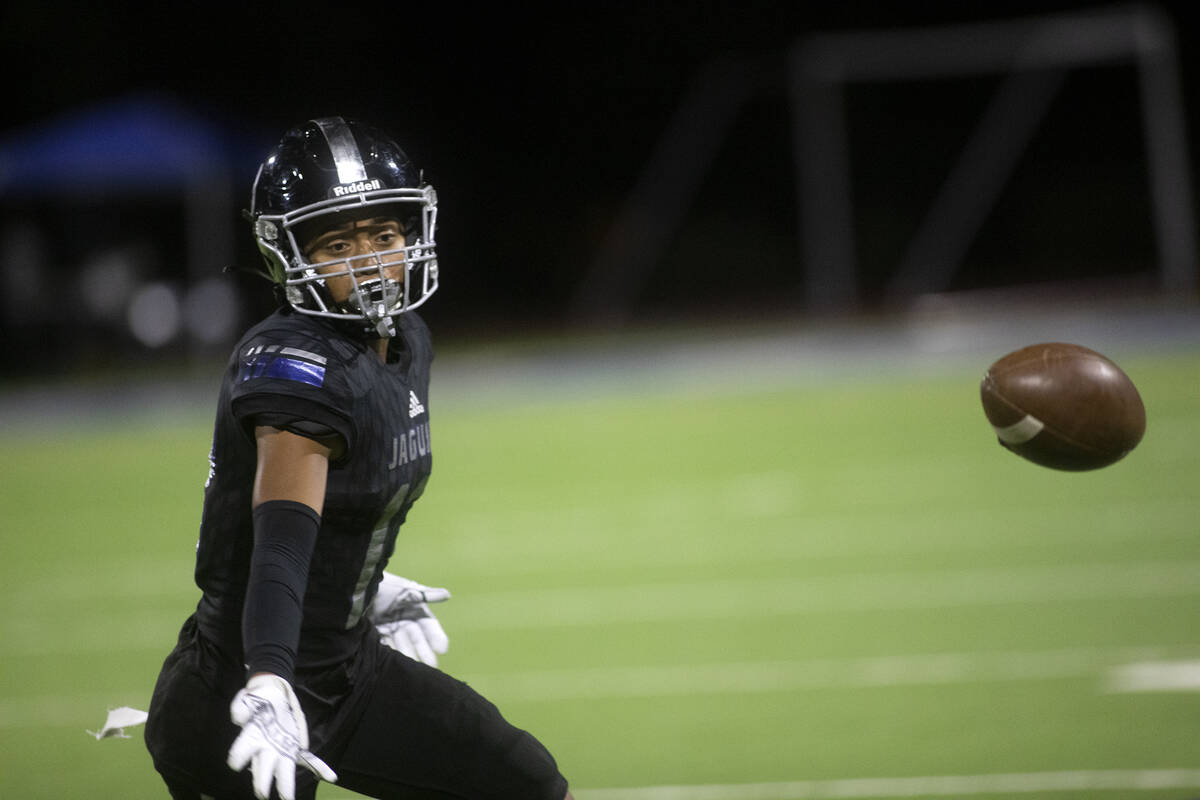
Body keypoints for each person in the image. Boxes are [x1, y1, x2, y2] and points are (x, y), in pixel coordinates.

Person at [144, 117, 573, 800]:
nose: (370, 258)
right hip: (245, 693)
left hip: (345, 669)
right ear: (291, 258)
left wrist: (358, 581)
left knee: (525, 782)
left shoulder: (405, 340)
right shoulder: (298, 368)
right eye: (338, 242)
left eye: (384, 235)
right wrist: (270, 677)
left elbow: (337, 505)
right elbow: (279, 546)